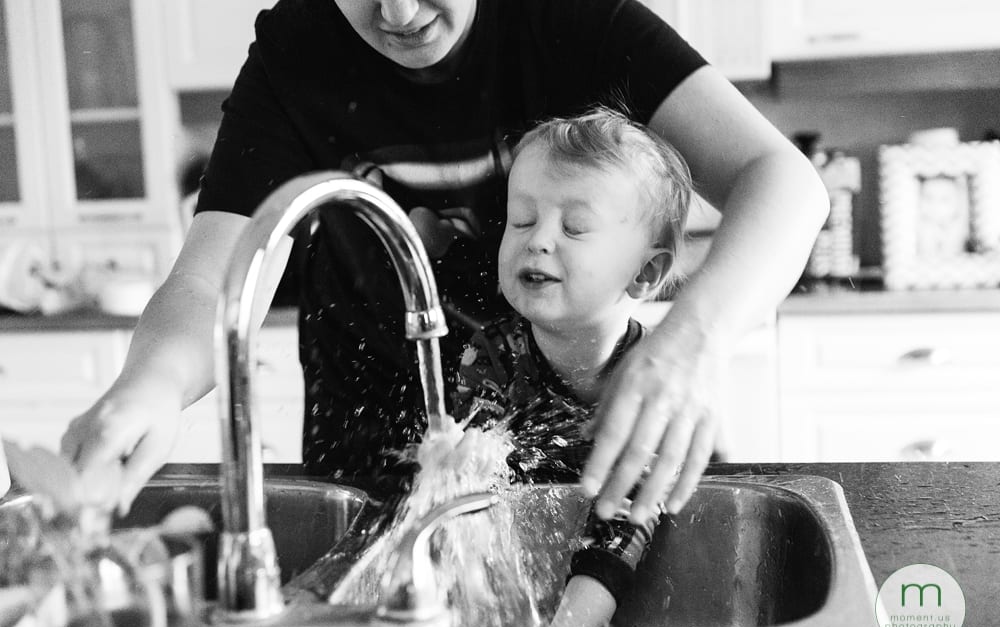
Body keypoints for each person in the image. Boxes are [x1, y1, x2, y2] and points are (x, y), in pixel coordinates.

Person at [60, 0, 829, 526]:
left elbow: (784, 182)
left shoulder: (568, 17)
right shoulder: (297, 50)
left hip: (575, 476)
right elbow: (209, 279)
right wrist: (150, 386)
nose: (398, 13)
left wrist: (694, 336)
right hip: (368, 481)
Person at [450, 108, 690, 627]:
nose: (537, 240)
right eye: (521, 219)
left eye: (575, 227)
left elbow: (624, 522)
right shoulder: (489, 358)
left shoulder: (652, 384)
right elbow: (468, 498)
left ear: (646, 272)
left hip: (615, 611)